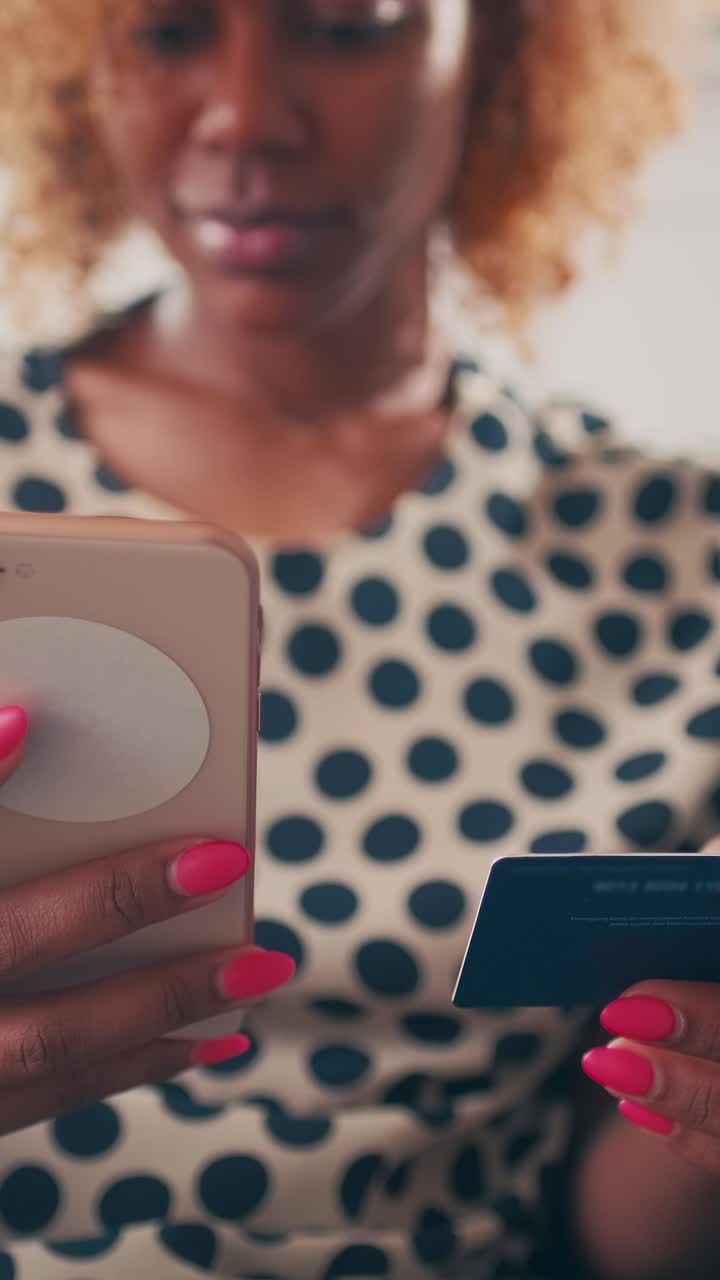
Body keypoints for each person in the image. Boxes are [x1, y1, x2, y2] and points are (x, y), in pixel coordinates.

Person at [0, 1, 718, 1277]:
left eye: (343, 25)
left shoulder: (677, 555)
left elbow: (618, 1240)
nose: (244, 117)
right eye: (165, 31)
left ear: (496, 49)